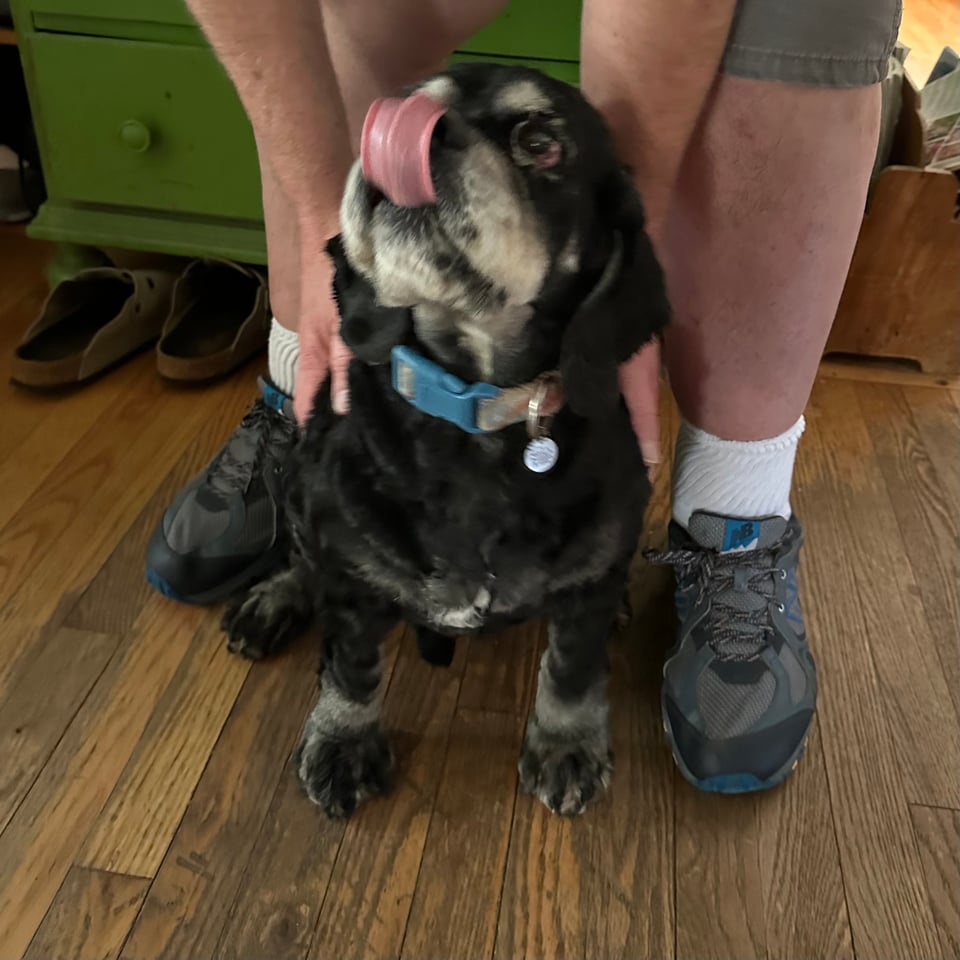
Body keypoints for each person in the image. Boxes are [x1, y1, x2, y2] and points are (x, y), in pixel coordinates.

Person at [145, 0, 900, 792]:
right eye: (416, 129)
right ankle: (302, 401)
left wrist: (623, 286)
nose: (431, 147)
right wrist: (315, 220)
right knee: (345, 16)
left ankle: (734, 513)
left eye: (535, 145)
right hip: (382, 417)